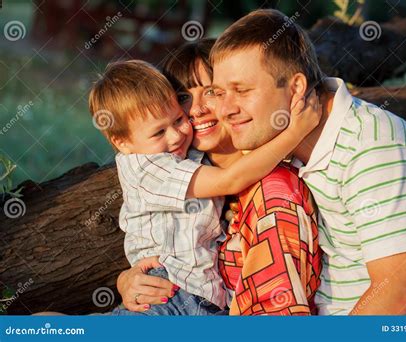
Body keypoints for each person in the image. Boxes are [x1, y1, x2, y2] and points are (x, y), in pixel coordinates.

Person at [210, 9, 406, 315]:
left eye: (242, 91)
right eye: (219, 92)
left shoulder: (372, 146)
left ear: (295, 88)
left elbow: (397, 297)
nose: (225, 109)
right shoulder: (286, 139)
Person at [88, 57, 318, 315]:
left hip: (201, 299)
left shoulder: (268, 187)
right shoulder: (151, 166)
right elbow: (231, 178)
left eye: (211, 92)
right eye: (185, 97)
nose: (177, 134)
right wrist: (295, 132)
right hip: (170, 292)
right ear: (122, 142)